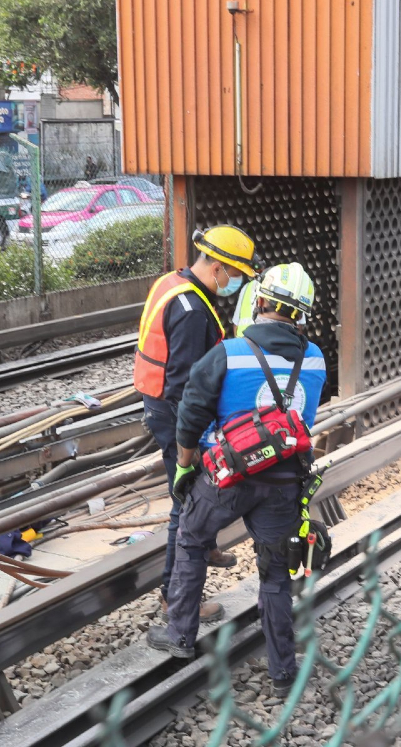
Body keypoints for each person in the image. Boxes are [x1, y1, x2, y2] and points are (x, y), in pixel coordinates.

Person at [147, 263, 326, 699]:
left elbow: (190, 415)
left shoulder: (228, 352)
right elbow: (306, 419)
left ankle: (181, 636)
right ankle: (283, 671)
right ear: (302, 314)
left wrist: (187, 465)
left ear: (260, 302)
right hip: (285, 482)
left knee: (191, 538)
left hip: (227, 478)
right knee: (277, 572)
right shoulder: (317, 358)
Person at [133, 225, 261, 620]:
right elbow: (185, 386)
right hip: (173, 414)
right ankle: (177, 598)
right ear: (219, 267)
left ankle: (205, 549)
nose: (236, 282)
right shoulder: (190, 312)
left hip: (158, 406)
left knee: (197, 493)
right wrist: (204, 433)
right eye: (236, 273)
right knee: (186, 501)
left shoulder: (173, 283)